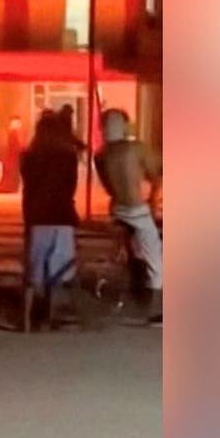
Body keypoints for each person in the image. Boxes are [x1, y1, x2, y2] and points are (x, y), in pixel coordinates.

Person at [94, 108, 163, 324]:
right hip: (137, 210)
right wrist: (152, 200)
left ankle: (132, 293)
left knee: (131, 252)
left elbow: (107, 187)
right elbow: (156, 175)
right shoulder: (136, 148)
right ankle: (156, 311)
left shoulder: (101, 155)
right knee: (156, 260)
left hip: (118, 210)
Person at [20, 112, 80, 332]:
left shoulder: (29, 156)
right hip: (62, 216)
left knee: (34, 268)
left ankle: (27, 319)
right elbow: (70, 187)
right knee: (58, 268)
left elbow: (28, 189)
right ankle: (49, 315)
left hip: (38, 216)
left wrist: (27, 219)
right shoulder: (68, 156)